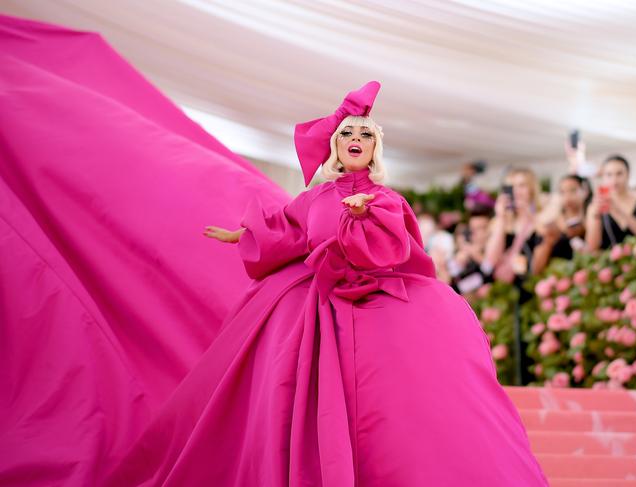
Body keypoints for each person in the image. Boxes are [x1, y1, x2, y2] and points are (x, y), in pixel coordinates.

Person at [105, 82, 549, 486]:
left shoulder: (388, 199)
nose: (356, 141)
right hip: (312, 310)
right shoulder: (315, 196)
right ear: (336, 146)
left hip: (378, 309)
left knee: (387, 410)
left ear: (375, 148)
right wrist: (246, 234)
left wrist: (365, 214)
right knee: (289, 394)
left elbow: (396, 248)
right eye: (347, 135)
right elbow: (290, 232)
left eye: (365, 135)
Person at [483, 168, 542, 285]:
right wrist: (501, 217)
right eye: (512, 187)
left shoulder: (541, 218)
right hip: (503, 285)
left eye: (522, 185)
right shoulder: (499, 222)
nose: (516, 191)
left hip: (531, 283)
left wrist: (528, 216)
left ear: (532, 189)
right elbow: (491, 260)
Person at [585, 155, 636, 251]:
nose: (614, 180)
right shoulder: (595, 206)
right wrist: (596, 216)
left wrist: (618, 210)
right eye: (609, 175)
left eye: (619, 174)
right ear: (603, 177)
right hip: (608, 262)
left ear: (628, 175)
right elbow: (592, 247)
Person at [532, 175, 589, 274]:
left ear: (585, 191)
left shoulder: (593, 218)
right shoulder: (551, 224)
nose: (568, 196)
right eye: (562, 192)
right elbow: (536, 269)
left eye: (573, 190)